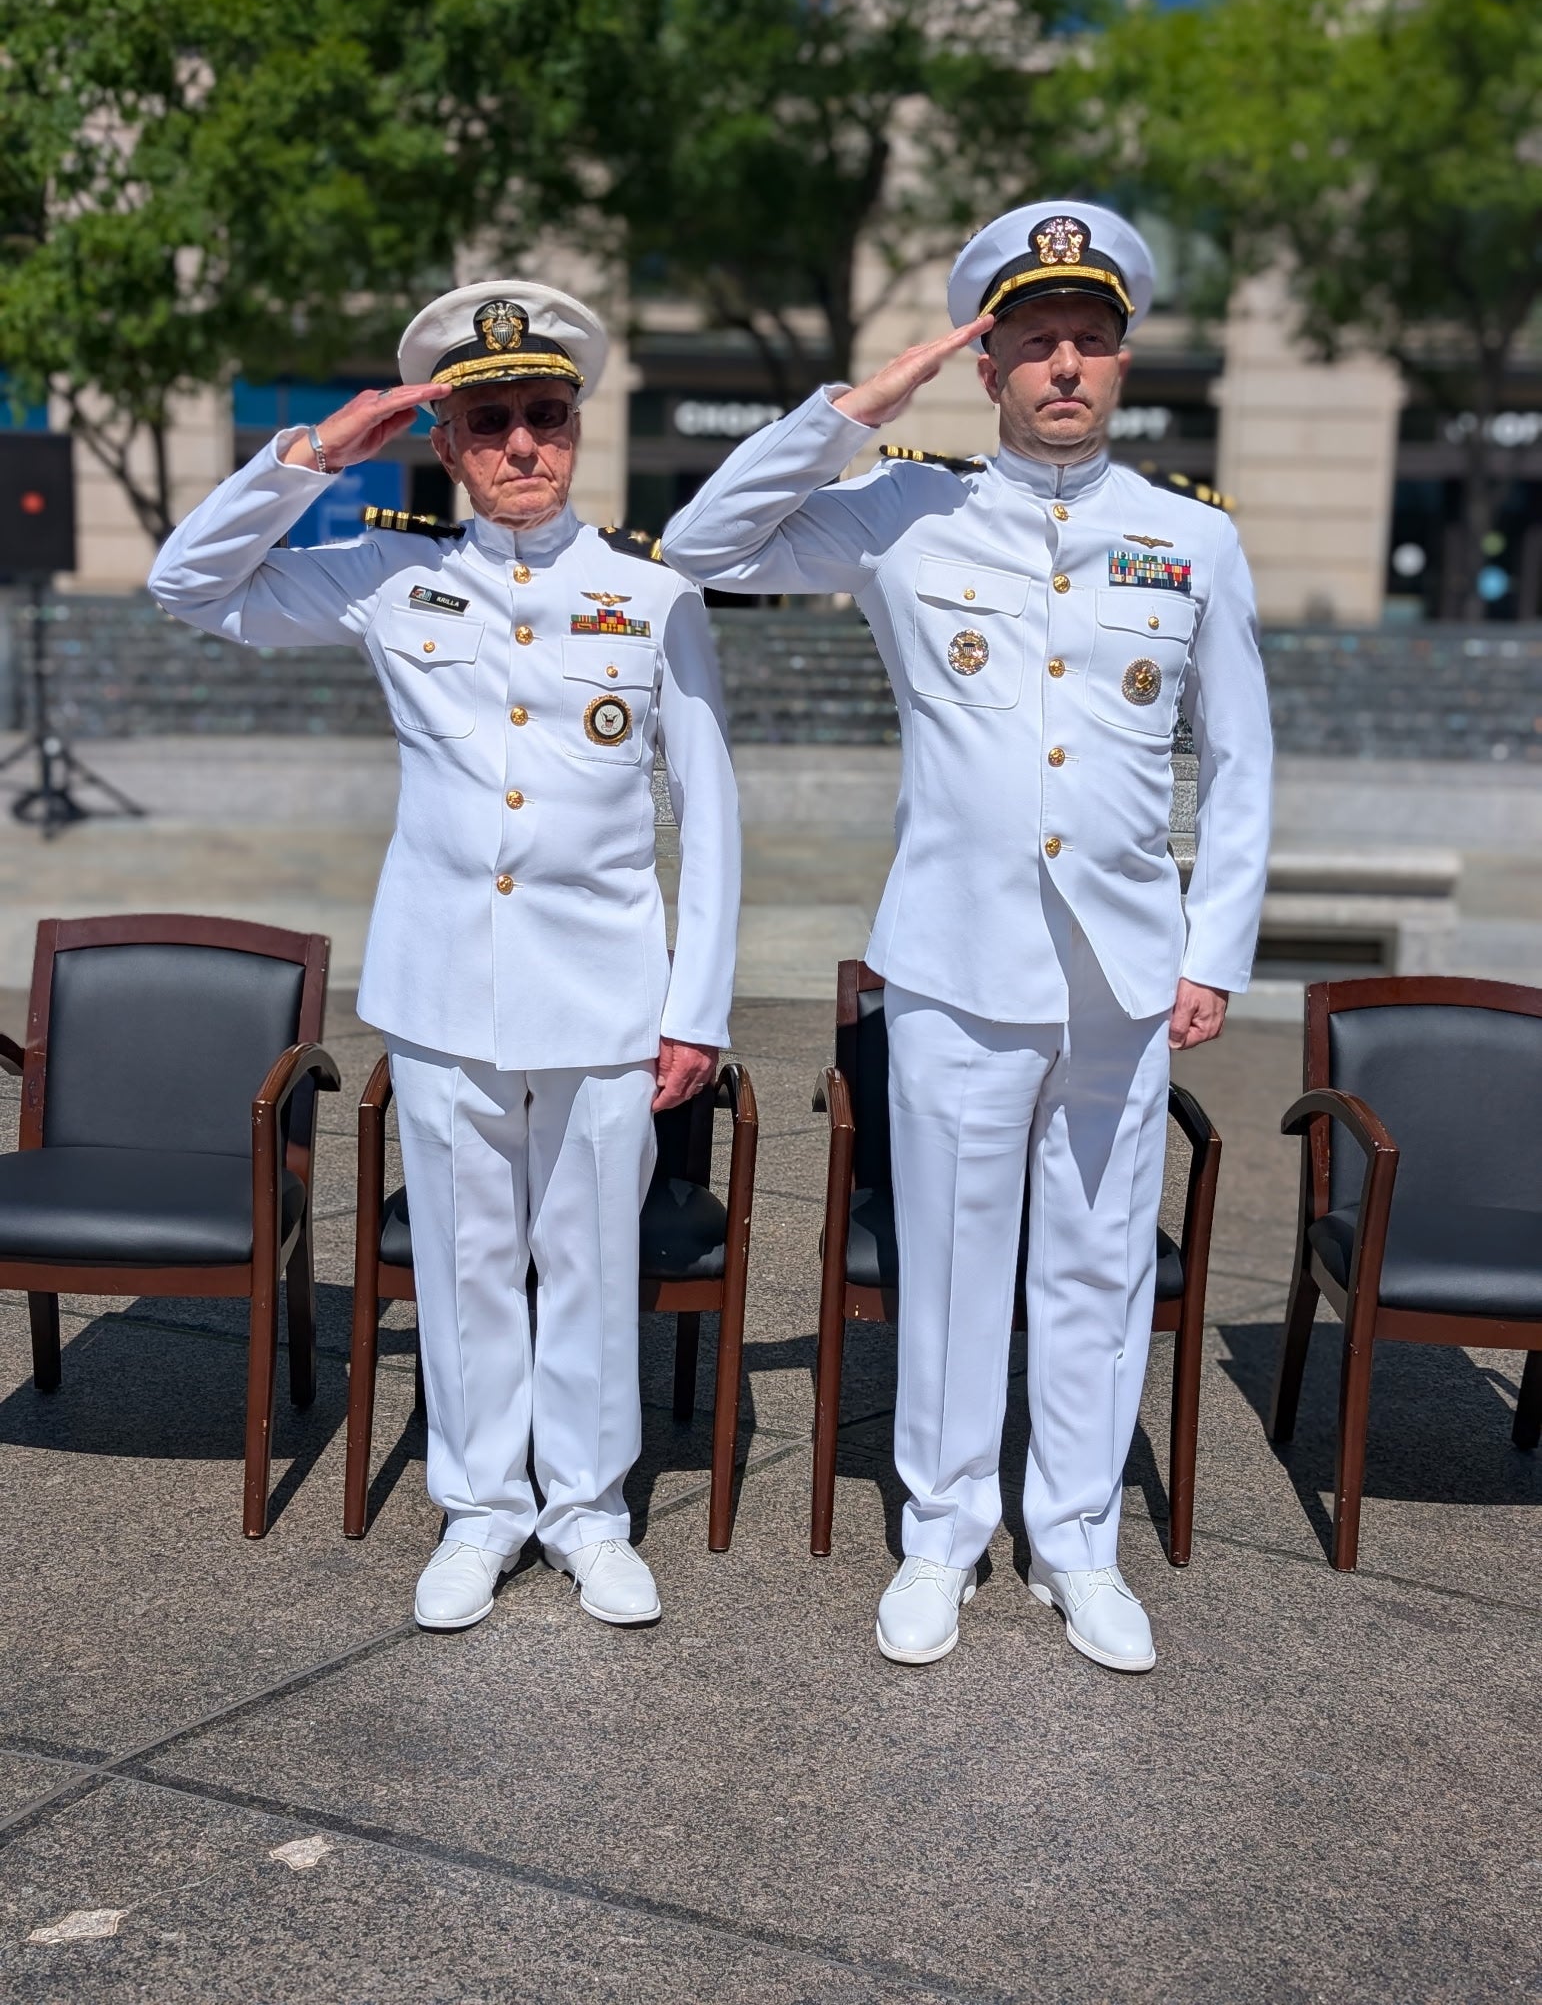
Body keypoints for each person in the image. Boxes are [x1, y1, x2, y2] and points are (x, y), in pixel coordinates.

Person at [663, 203, 1272, 1671]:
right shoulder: (900, 509)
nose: (1063, 367)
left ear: (1123, 362)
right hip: (950, 962)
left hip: (1121, 970)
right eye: (1032, 343)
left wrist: (1213, 950)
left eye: (1089, 343)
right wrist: (853, 408)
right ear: (986, 360)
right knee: (944, 1262)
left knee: (1097, 1259)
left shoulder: (1190, 538)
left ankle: (1074, 1539)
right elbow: (696, 543)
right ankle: (939, 1531)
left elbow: (1239, 760)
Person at [150, 281, 739, 1633]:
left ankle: (589, 1512)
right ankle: (482, 1509)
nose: (521, 445)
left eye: (544, 416)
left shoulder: (651, 594)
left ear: (576, 427)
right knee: (471, 1262)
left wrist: (693, 1008)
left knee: (589, 1261)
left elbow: (708, 814)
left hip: (605, 996)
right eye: (489, 422)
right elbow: (188, 586)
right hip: (444, 991)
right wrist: (314, 453)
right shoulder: (384, 574)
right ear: (448, 440)